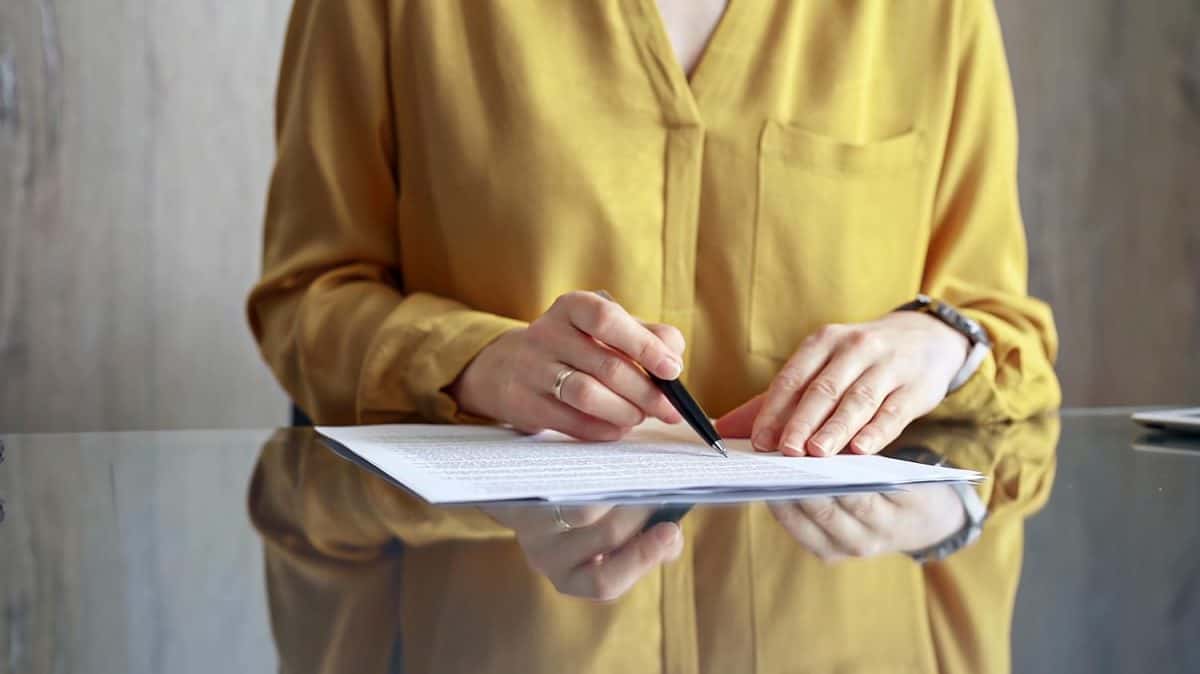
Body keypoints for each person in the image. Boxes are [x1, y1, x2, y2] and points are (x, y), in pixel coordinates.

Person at [247, 1, 1060, 671]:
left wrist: (938, 342)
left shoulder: (938, 15)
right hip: (493, 613)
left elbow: (1008, 333)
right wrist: (473, 363)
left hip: (850, 613)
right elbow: (306, 299)